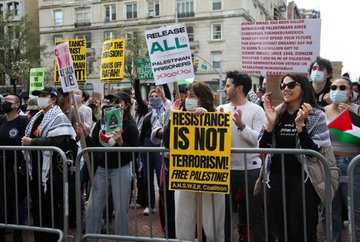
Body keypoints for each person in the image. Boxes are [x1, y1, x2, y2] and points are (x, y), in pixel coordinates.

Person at [258, 73, 332, 242]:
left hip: (304, 179)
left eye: (291, 85)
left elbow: (315, 153)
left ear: (303, 87)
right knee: (282, 229)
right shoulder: (275, 113)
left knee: (302, 230)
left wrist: (301, 127)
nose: (286, 89)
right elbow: (262, 148)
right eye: (283, 86)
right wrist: (270, 125)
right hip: (276, 178)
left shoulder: (316, 115)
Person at [21, 86, 77, 242]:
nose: (40, 98)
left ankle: (54, 237)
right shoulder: (37, 116)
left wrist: (33, 142)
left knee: (51, 206)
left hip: (52, 171)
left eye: (44, 95)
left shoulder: (59, 116)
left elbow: (56, 140)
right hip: (37, 168)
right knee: (38, 206)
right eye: (39, 95)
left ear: (53, 98)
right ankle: (40, 236)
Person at [217, 71, 267, 242]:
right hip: (224, 169)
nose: (224, 89)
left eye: (228, 85)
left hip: (250, 169)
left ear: (239, 88)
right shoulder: (220, 109)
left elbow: (258, 141)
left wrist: (241, 126)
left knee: (254, 213)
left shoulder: (257, 110)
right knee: (223, 214)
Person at [86, 92, 139, 241]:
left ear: (126, 105)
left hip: (121, 170)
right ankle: (91, 238)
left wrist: (121, 142)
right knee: (93, 207)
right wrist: (84, 135)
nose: (113, 103)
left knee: (121, 210)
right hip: (102, 169)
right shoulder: (101, 123)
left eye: (117, 101)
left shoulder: (130, 125)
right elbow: (93, 145)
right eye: (110, 101)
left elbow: (135, 152)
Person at [324, 76, 360, 241]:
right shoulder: (322, 112)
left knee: (356, 210)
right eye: (333, 87)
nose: (337, 91)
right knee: (331, 211)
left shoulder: (358, 110)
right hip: (329, 164)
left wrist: (354, 116)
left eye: (342, 88)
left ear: (350, 91)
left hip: (354, 165)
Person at [0, 94, 29, 242]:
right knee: (2, 200)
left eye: (9, 101)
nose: (5, 103)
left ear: (17, 105)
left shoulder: (23, 121)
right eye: (4, 101)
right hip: (2, 168)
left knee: (18, 201)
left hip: (17, 169)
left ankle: (18, 234)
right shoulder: (1, 121)